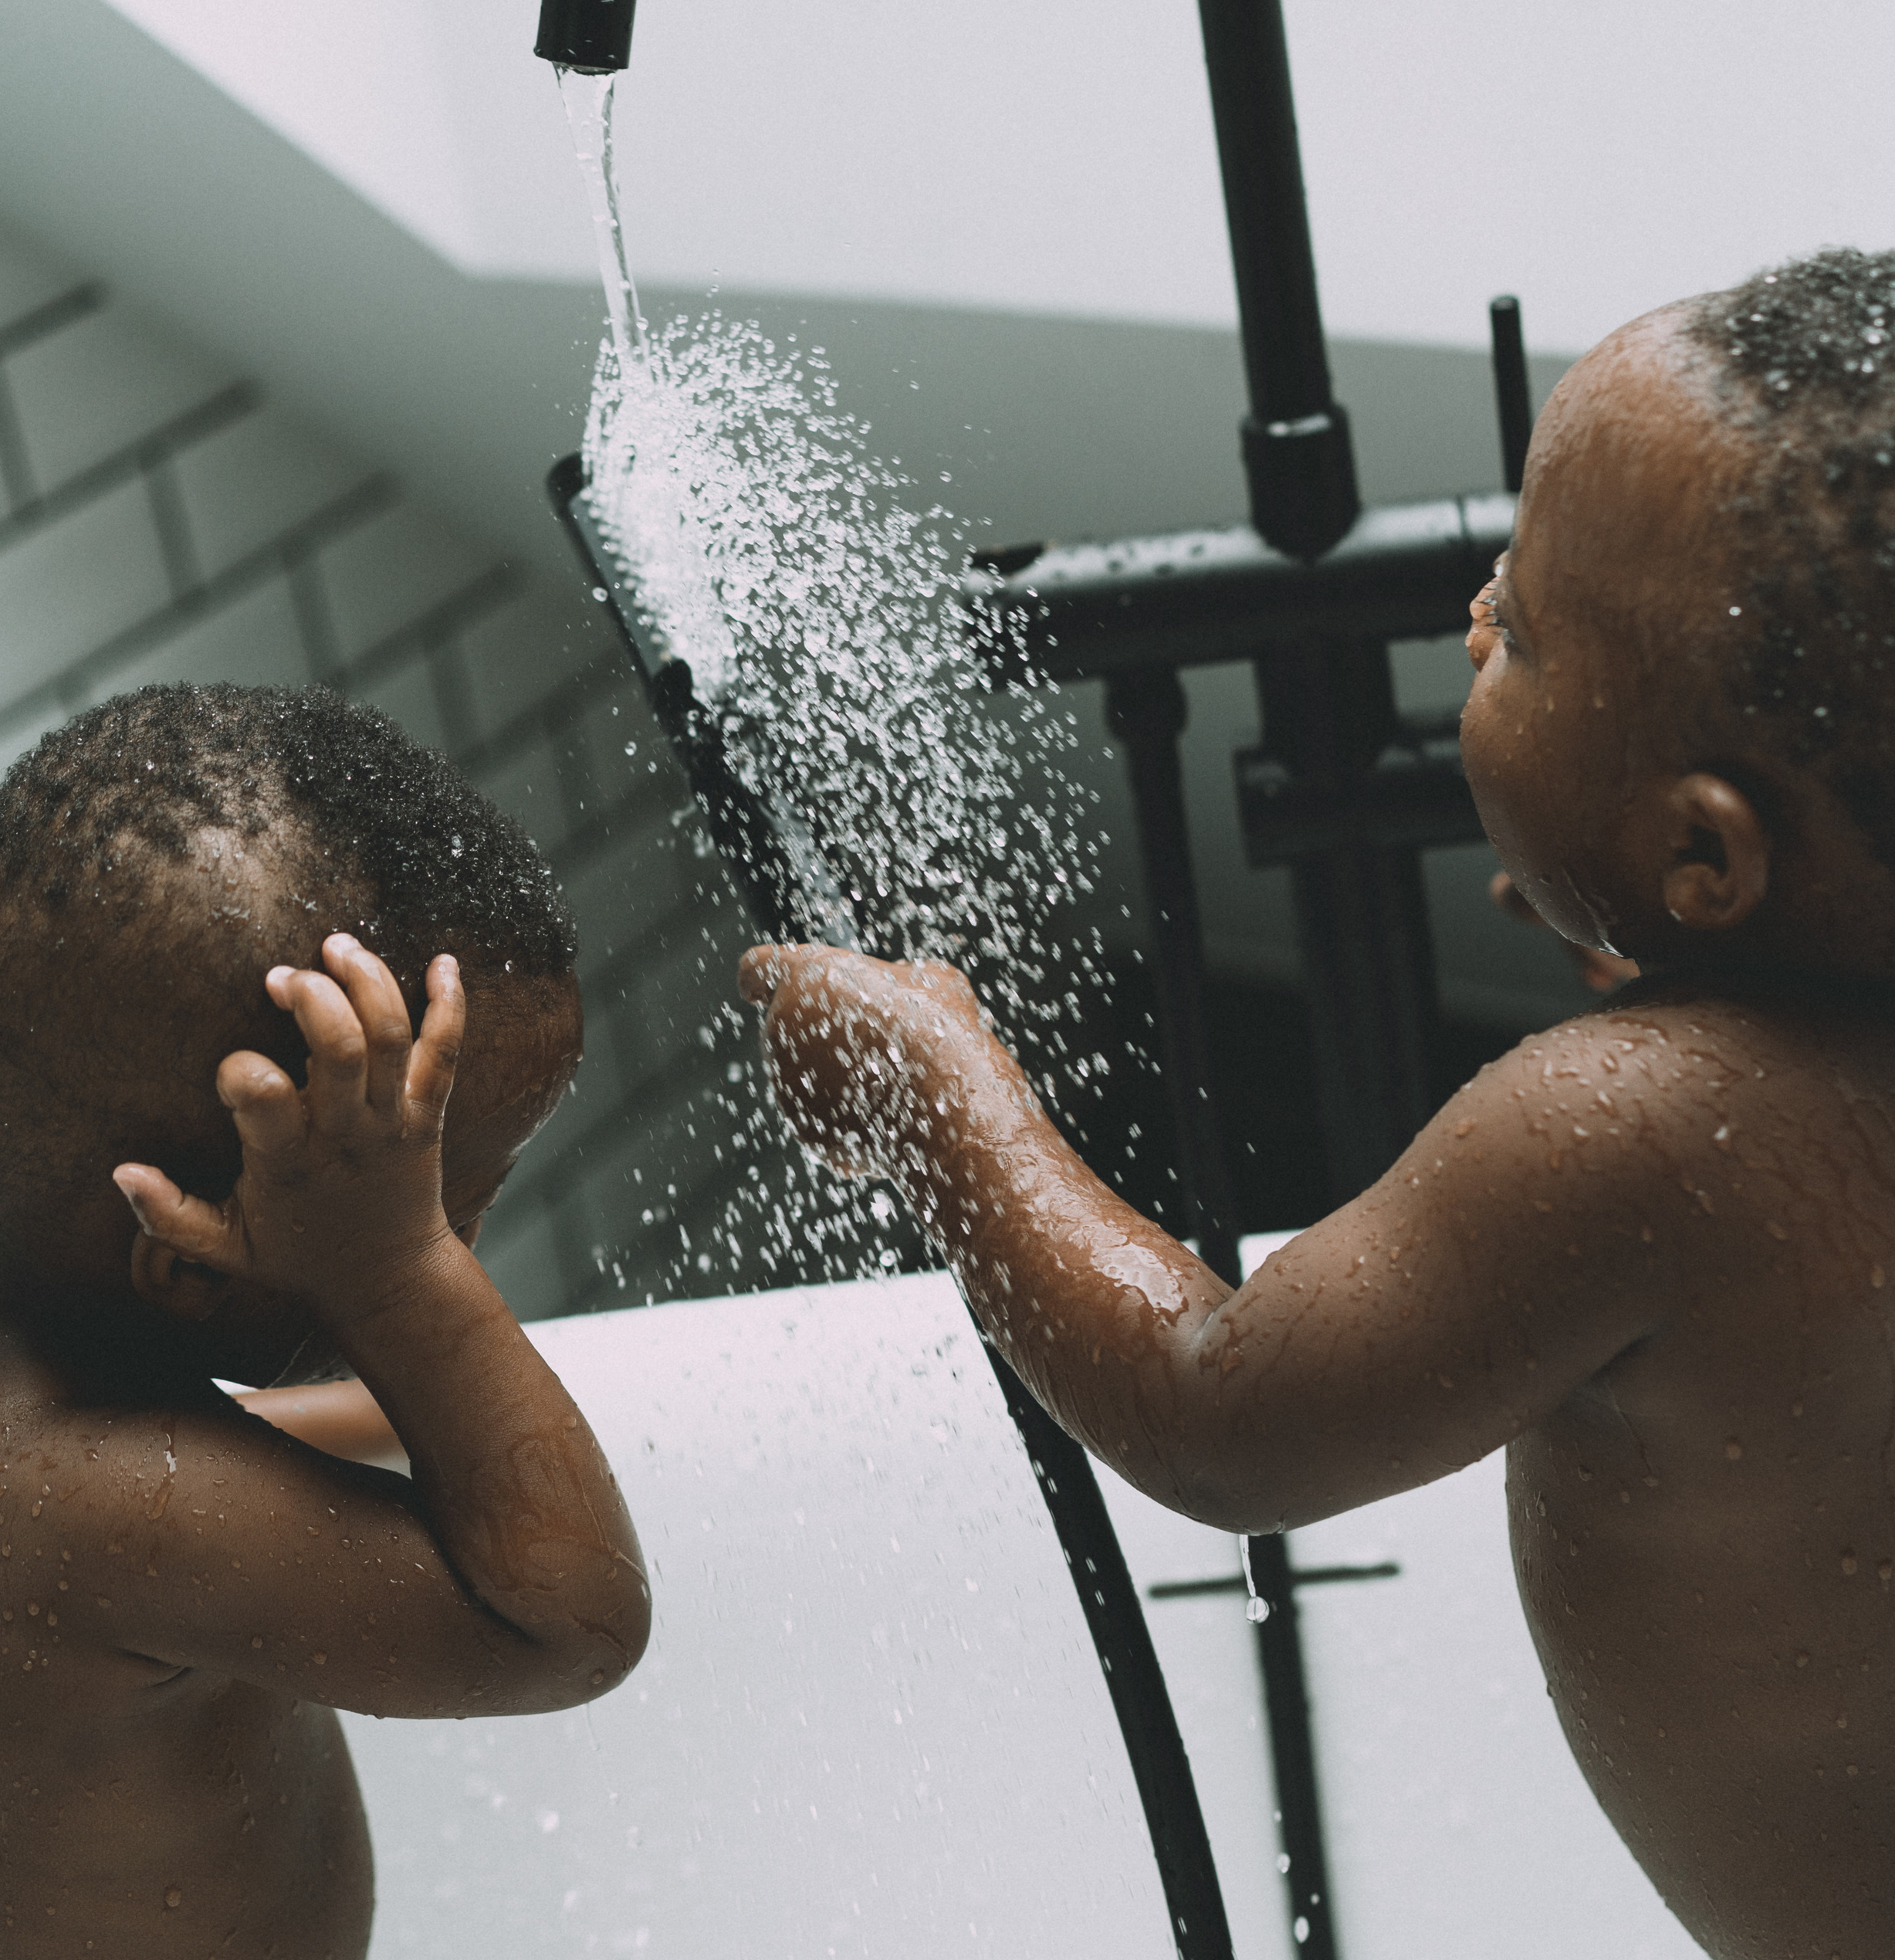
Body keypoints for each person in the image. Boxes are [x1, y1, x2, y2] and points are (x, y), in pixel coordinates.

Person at [743, 249, 1895, 1960]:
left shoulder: (1640, 1133)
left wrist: (936, 1091)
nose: (1470, 624)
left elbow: (1223, 1412)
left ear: (1700, 856)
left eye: (1520, 621)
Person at [0, 685, 648, 1958]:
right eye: (443, 1226)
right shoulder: (129, 1510)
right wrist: (400, 1276)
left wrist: (387, 1278)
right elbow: (572, 1629)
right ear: (189, 1268)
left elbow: (276, 1431)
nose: (457, 1271)